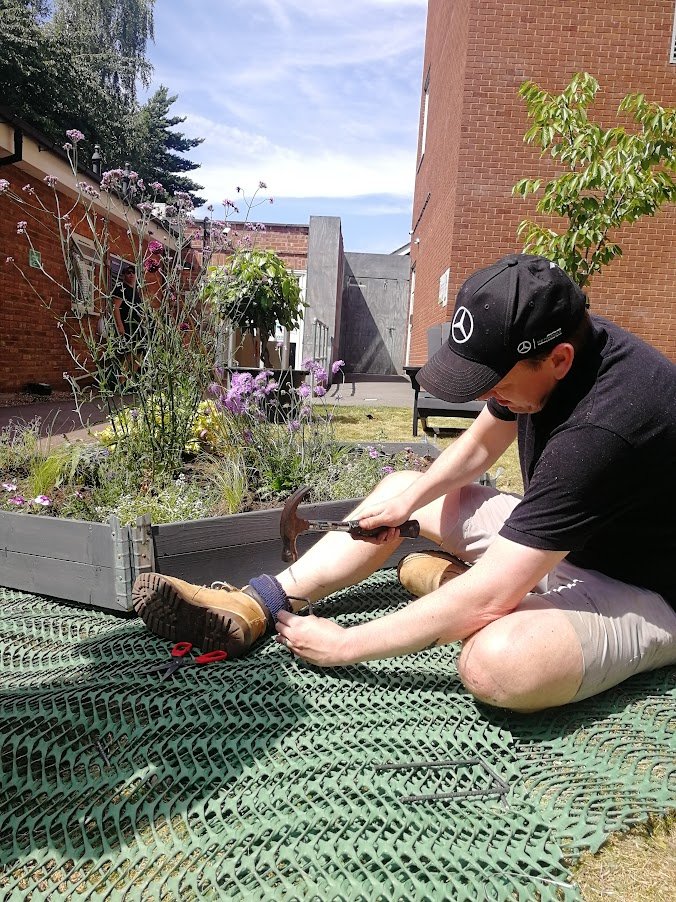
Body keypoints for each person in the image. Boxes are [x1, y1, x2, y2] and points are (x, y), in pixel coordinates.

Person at [133, 254, 676, 712]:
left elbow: (490, 595)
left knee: (496, 664)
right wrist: (410, 501)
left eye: (498, 385)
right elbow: (483, 443)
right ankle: (258, 602)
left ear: (559, 361)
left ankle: (462, 587)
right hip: (566, 546)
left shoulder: (605, 424)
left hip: (644, 588)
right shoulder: (557, 348)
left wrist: (346, 645)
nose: (492, 398)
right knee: (398, 490)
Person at [112, 264, 146, 372]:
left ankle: (131, 381)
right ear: (123, 275)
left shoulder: (135, 291)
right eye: (128, 272)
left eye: (133, 272)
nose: (131, 274)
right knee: (128, 355)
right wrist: (120, 325)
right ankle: (122, 383)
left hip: (137, 328)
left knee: (139, 354)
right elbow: (115, 307)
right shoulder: (120, 288)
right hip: (127, 327)